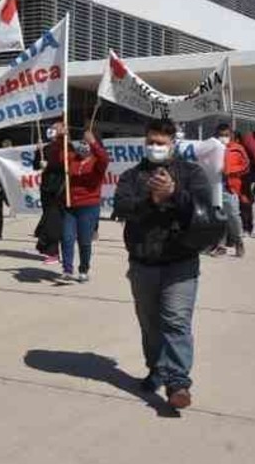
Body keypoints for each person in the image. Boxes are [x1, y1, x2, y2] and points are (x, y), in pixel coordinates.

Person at [113, 119, 224, 410]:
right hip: (143, 263)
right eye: (151, 141)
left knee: (175, 322)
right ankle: (157, 369)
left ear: (173, 143)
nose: (155, 147)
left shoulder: (191, 173)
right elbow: (122, 208)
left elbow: (203, 208)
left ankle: (178, 383)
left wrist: (174, 194)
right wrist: (151, 199)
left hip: (180, 263)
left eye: (161, 143)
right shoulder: (131, 176)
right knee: (150, 324)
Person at [60, 129, 110, 282]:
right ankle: (67, 269)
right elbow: (61, 154)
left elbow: (104, 159)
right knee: (67, 237)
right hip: (70, 205)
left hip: (88, 206)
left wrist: (93, 142)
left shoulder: (97, 162)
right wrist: (62, 137)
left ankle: (84, 269)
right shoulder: (73, 159)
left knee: (84, 240)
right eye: (82, 142)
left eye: (86, 142)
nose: (83, 145)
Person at [212, 124, 249, 258]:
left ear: (231, 135)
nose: (224, 138)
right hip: (215, 186)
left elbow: (245, 166)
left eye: (226, 135)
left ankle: (238, 242)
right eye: (221, 135)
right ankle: (220, 246)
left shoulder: (237, 149)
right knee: (218, 216)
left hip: (231, 186)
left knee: (233, 215)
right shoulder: (212, 148)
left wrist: (230, 171)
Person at [33, 122, 66, 264]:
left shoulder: (66, 147)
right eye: (51, 128)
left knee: (54, 220)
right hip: (46, 188)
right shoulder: (46, 148)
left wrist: (50, 165)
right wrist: (37, 151)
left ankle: (53, 251)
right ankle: (52, 251)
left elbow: (66, 165)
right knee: (48, 217)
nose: (51, 130)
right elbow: (36, 166)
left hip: (60, 188)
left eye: (54, 128)